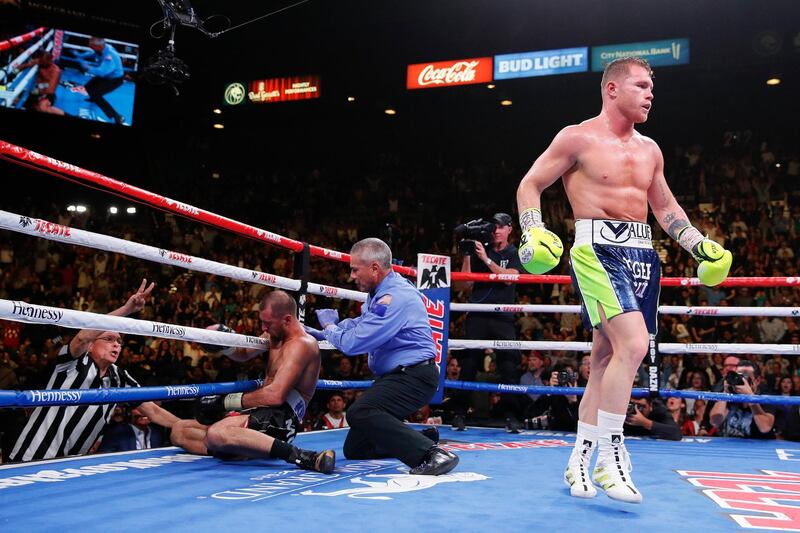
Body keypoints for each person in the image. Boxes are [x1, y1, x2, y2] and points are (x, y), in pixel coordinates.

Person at [516, 57, 732, 503]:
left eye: (651, 87)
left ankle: (580, 456)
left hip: (642, 254)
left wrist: (697, 244)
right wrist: (533, 229)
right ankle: (611, 455)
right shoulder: (576, 137)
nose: (650, 94)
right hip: (595, 250)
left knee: (604, 361)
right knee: (633, 346)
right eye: (640, 85)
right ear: (611, 90)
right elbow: (530, 184)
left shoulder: (650, 149)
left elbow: (665, 208)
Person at [305, 237, 458, 475]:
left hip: (414, 377)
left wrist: (330, 329)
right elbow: (362, 323)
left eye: (355, 270)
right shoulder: (380, 292)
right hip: (399, 377)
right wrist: (327, 332)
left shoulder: (394, 297)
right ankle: (423, 437)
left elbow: (354, 343)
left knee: (359, 412)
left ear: (375, 267)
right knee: (356, 448)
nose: (352, 277)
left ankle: (432, 453)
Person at [9, 279, 179, 462]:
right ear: (91, 346)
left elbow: (152, 410)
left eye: (119, 342)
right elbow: (82, 337)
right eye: (109, 339)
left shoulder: (119, 377)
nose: (116, 345)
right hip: (32, 455)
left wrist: (182, 425)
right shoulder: (73, 363)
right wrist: (126, 310)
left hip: (70, 464)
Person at [170, 290, 335, 474]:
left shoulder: (302, 344)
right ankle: (246, 449)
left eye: (267, 323)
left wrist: (224, 402)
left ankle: (302, 456)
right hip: (262, 412)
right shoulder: (275, 335)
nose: (263, 328)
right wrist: (223, 342)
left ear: (287, 320)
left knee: (216, 434)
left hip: (281, 419)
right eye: (262, 322)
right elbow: (243, 354)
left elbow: (275, 395)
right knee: (179, 431)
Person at [709, 360, 776, 439]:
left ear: (757, 380)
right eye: (740, 376)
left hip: (755, 447)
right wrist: (725, 394)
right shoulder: (731, 392)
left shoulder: (765, 396)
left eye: (746, 376)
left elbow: (765, 428)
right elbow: (715, 422)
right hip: (729, 444)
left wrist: (750, 397)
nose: (742, 380)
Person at [72, 36, 125, 124]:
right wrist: (79, 55)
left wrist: (87, 67)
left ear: (98, 46)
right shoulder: (101, 48)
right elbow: (91, 54)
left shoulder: (109, 55)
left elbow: (101, 72)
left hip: (114, 79)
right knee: (87, 87)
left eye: (91, 45)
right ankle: (92, 98)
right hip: (106, 76)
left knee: (95, 94)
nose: (89, 46)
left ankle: (116, 116)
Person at [97, 406, 167, 452]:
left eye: (147, 410)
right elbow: (103, 458)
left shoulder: (156, 433)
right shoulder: (116, 433)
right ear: (129, 412)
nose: (144, 413)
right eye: (140, 409)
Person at [16, 50, 65, 115]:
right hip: (34, 90)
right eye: (41, 60)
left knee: (42, 108)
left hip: (46, 94)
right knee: (14, 99)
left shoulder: (56, 71)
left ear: (50, 59)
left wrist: (33, 91)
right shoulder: (40, 63)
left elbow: (50, 91)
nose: (42, 62)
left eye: (45, 61)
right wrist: (29, 63)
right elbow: (18, 68)